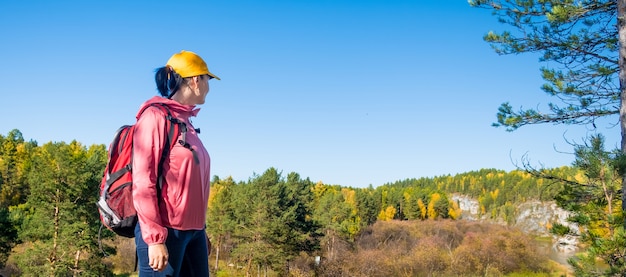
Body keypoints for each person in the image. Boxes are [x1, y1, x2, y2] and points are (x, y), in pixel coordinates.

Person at [132, 50, 219, 276]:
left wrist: (201, 230)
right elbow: (143, 181)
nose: (209, 86)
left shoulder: (186, 123)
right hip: (165, 232)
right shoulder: (155, 117)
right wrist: (154, 239)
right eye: (208, 79)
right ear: (195, 80)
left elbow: (191, 184)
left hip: (194, 233)